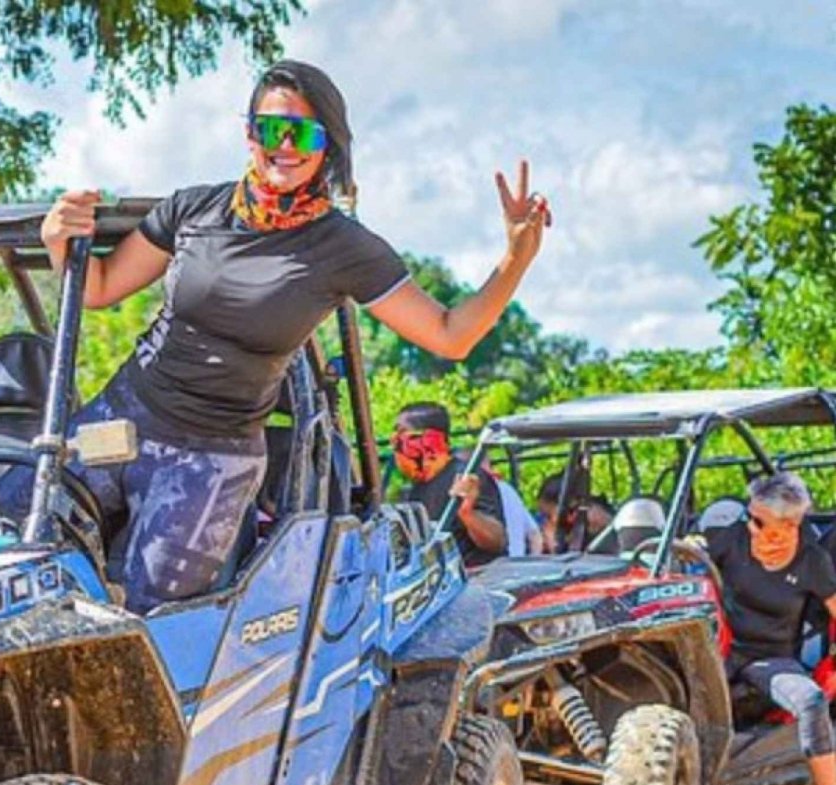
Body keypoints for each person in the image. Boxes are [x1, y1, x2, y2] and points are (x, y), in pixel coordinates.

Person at [40, 60, 549, 610]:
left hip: (212, 455)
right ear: (248, 134)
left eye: (302, 132)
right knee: (7, 529)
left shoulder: (342, 247)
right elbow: (98, 287)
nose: (284, 145)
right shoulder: (193, 209)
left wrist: (517, 257)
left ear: (327, 144)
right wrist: (57, 238)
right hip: (126, 417)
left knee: (152, 614)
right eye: (269, 129)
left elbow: (451, 336)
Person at [708, 472, 836, 785]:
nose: (754, 529)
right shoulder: (733, 541)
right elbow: (688, 566)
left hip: (770, 658)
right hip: (718, 652)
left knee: (812, 702)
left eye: (763, 523)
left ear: (791, 524)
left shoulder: (811, 560)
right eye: (752, 519)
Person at [391, 405, 507, 567]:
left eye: (402, 432)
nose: (394, 441)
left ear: (431, 437)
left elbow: (497, 541)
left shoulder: (468, 477)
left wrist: (467, 514)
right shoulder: (415, 490)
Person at [537, 472, 616, 553]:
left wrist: (552, 543)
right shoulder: (570, 523)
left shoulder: (591, 517)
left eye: (548, 516)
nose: (546, 522)